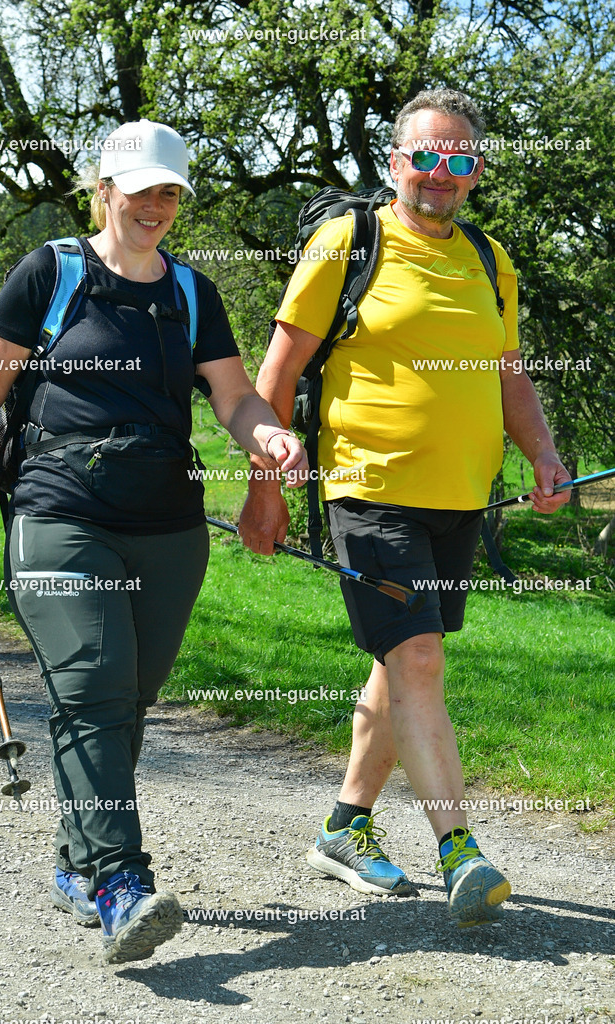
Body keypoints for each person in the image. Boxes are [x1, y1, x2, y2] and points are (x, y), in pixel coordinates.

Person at [0, 118, 307, 963]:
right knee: (94, 692)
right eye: (139, 189)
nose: (155, 206)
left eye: (169, 192)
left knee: (124, 702)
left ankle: (76, 865)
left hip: (168, 528)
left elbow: (234, 400)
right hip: (59, 512)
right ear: (102, 189)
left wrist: (269, 438)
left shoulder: (190, 294)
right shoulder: (52, 272)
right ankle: (119, 882)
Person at [239, 89, 571, 927]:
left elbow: (506, 375)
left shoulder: (491, 261)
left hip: (459, 499)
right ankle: (457, 846)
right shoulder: (346, 243)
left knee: (399, 667)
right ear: (394, 165)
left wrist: (542, 454)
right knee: (418, 658)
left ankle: (344, 827)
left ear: (477, 173)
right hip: (368, 490)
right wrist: (264, 490)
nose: (439, 175)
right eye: (424, 157)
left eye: (457, 160)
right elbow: (274, 376)